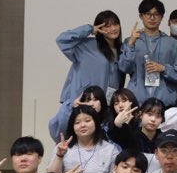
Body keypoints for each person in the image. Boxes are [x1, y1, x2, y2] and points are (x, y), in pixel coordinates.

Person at [50, 11, 124, 140]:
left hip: (103, 106)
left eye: (115, 24)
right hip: (80, 102)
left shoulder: (121, 50)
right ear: (100, 28)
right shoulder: (86, 45)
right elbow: (62, 40)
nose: (112, 28)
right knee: (72, 140)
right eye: (107, 26)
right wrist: (89, 29)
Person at [118, 0, 177, 106]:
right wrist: (131, 45)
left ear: (162, 17)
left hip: (165, 101)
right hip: (137, 99)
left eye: (156, 14)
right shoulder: (130, 41)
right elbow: (124, 68)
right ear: (141, 16)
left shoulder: (173, 43)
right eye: (148, 14)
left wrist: (164, 68)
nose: (152, 18)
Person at [49, 105, 119, 173]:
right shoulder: (62, 147)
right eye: (77, 122)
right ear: (72, 126)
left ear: (96, 123)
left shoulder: (110, 150)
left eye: (87, 121)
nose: (82, 125)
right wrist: (59, 156)